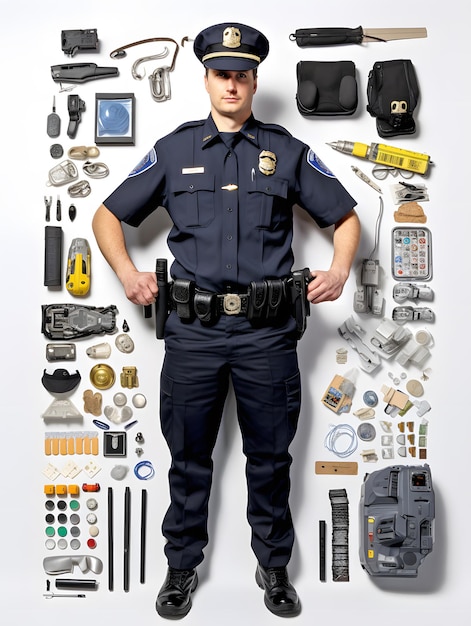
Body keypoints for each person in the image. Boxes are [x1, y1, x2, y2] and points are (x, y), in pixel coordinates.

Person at [92, 22, 360, 619]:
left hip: (267, 333)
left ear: (255, 80)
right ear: (207, 79)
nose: (232, 84)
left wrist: (340, 270)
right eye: (222, 74)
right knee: (188, 457)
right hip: (193, 334)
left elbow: (345, 219)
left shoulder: (286, 150)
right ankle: (181, 568)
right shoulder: (175, 149)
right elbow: (107, 217)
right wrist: (128, 275)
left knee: (270, 457)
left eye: (242, 75)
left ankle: (274, 569)